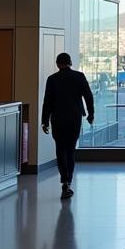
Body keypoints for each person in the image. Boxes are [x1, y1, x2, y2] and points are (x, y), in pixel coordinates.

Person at [41, 53, 94, 199]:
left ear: (58, 64)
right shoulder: (79, 77)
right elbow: (88, 96)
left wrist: (44, 121)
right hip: (74, 118)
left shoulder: (52, 79)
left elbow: (47, 102)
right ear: (70, 63)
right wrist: (91, 114)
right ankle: (68, 181)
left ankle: (64, 178)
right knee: (70, 150)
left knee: (60, 149)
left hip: (57, 119)